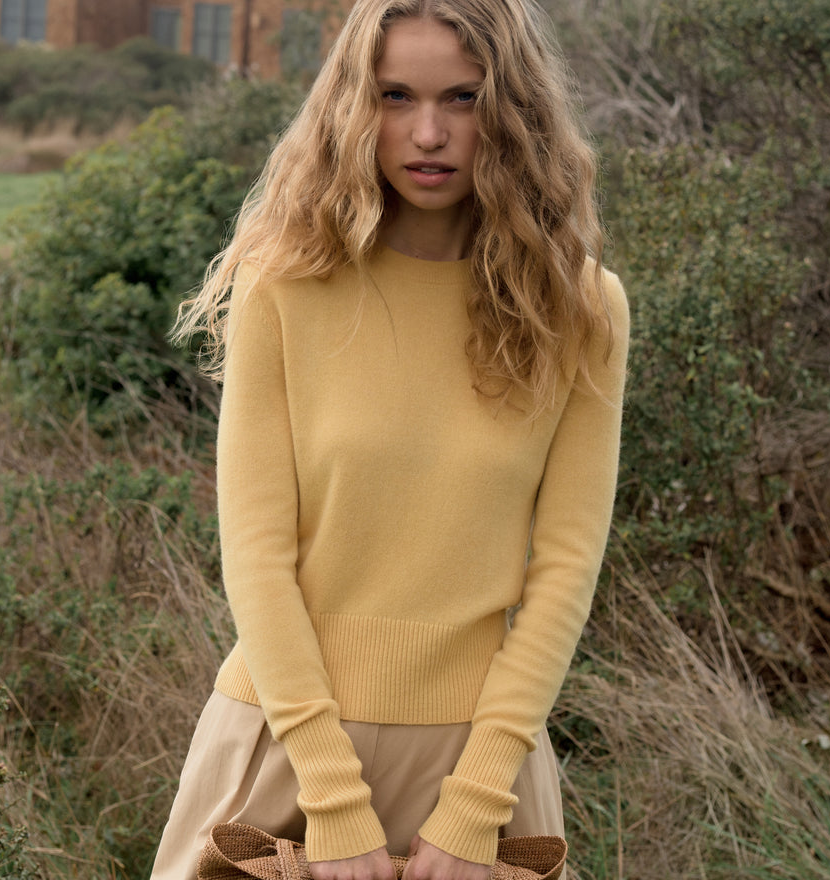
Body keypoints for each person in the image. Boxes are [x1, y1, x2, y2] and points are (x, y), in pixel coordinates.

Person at [154, 0, 629, 877]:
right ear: (351, 105)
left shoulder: (581, 307)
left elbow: (567, 567)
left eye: (463, 98)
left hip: (480, 777)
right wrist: (333, 802)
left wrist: (476, 803)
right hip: (284, 750)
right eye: (395, 95)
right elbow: (256, 555)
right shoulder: (282, 286)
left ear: (513, 109)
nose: (428, 133)